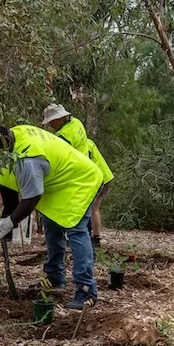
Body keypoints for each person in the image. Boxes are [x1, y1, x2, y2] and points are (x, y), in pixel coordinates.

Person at [0, 122, 103, 310]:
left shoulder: (28, 160)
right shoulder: (16, 133)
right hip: (58, 183)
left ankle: (86, 289)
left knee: (76, 231)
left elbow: (31, 198)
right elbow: (11, 172)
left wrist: (10, 222)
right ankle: (55, 276)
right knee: (52, 226)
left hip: (79, 182)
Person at [42, 104, 114, 247]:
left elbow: (58, 159)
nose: (50, 124)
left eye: (52, 120)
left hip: (85, 177)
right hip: (97, 175)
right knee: (89, 209)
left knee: (87, 210)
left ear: (60, 118)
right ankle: (91, 239)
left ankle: (92, 239)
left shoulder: (63, 136)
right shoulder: (76, 122)